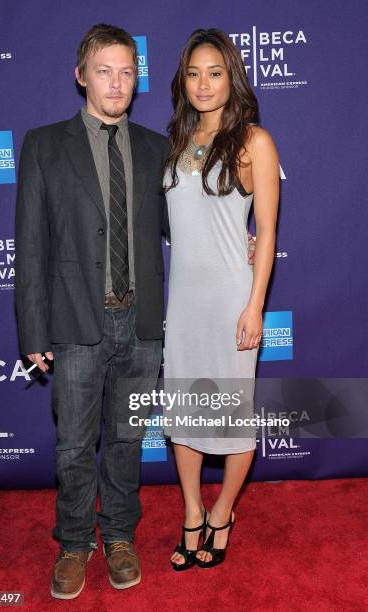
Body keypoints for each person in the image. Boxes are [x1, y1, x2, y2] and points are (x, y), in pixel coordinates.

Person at [14, 23, 170, 598]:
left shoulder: (158, 149)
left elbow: (185, 228)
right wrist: (33, 327)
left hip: (143, 320)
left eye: (127, 71)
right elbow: (29, 245)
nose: (117, 82)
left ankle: (120, 536)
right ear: (82, 76)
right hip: (76, 320)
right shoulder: (43, 144)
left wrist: (240, 238)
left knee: (127, 440)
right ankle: (76, 543)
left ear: (137, 79)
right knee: (75, 446)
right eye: (104, 70)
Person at [163, 29, 279, 570]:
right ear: (182, 80)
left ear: (232, 76)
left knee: (233, 417)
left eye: (214, 72)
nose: (203, 84)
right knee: (184, 411)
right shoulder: (174, 142)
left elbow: (268, 234)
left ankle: (223, 512)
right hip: (182, 303)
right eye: (193, 73)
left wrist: (255, 304)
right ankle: (191, 509)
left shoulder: (254, 140)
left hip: (232, 300)